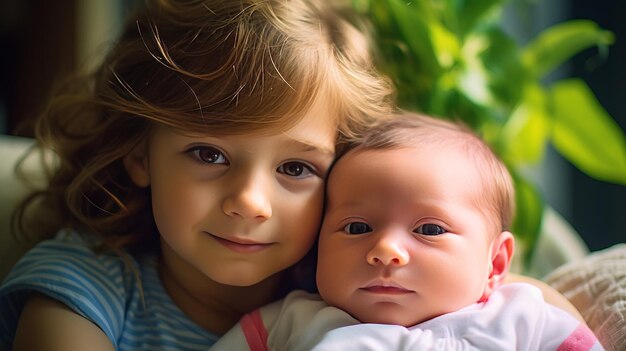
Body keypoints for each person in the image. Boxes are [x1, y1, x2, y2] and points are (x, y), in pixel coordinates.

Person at [0, 0, 394, 350]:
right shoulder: (80, 287)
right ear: (140, 155)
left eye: (295, 168)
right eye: (209, 155)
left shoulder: (367, 292)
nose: (249, 202)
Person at [210, 113, 603, 350]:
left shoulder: (521, 318)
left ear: (495, 262)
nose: (385, 250)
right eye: (357, 227)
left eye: (429, 229)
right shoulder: (293, 322)